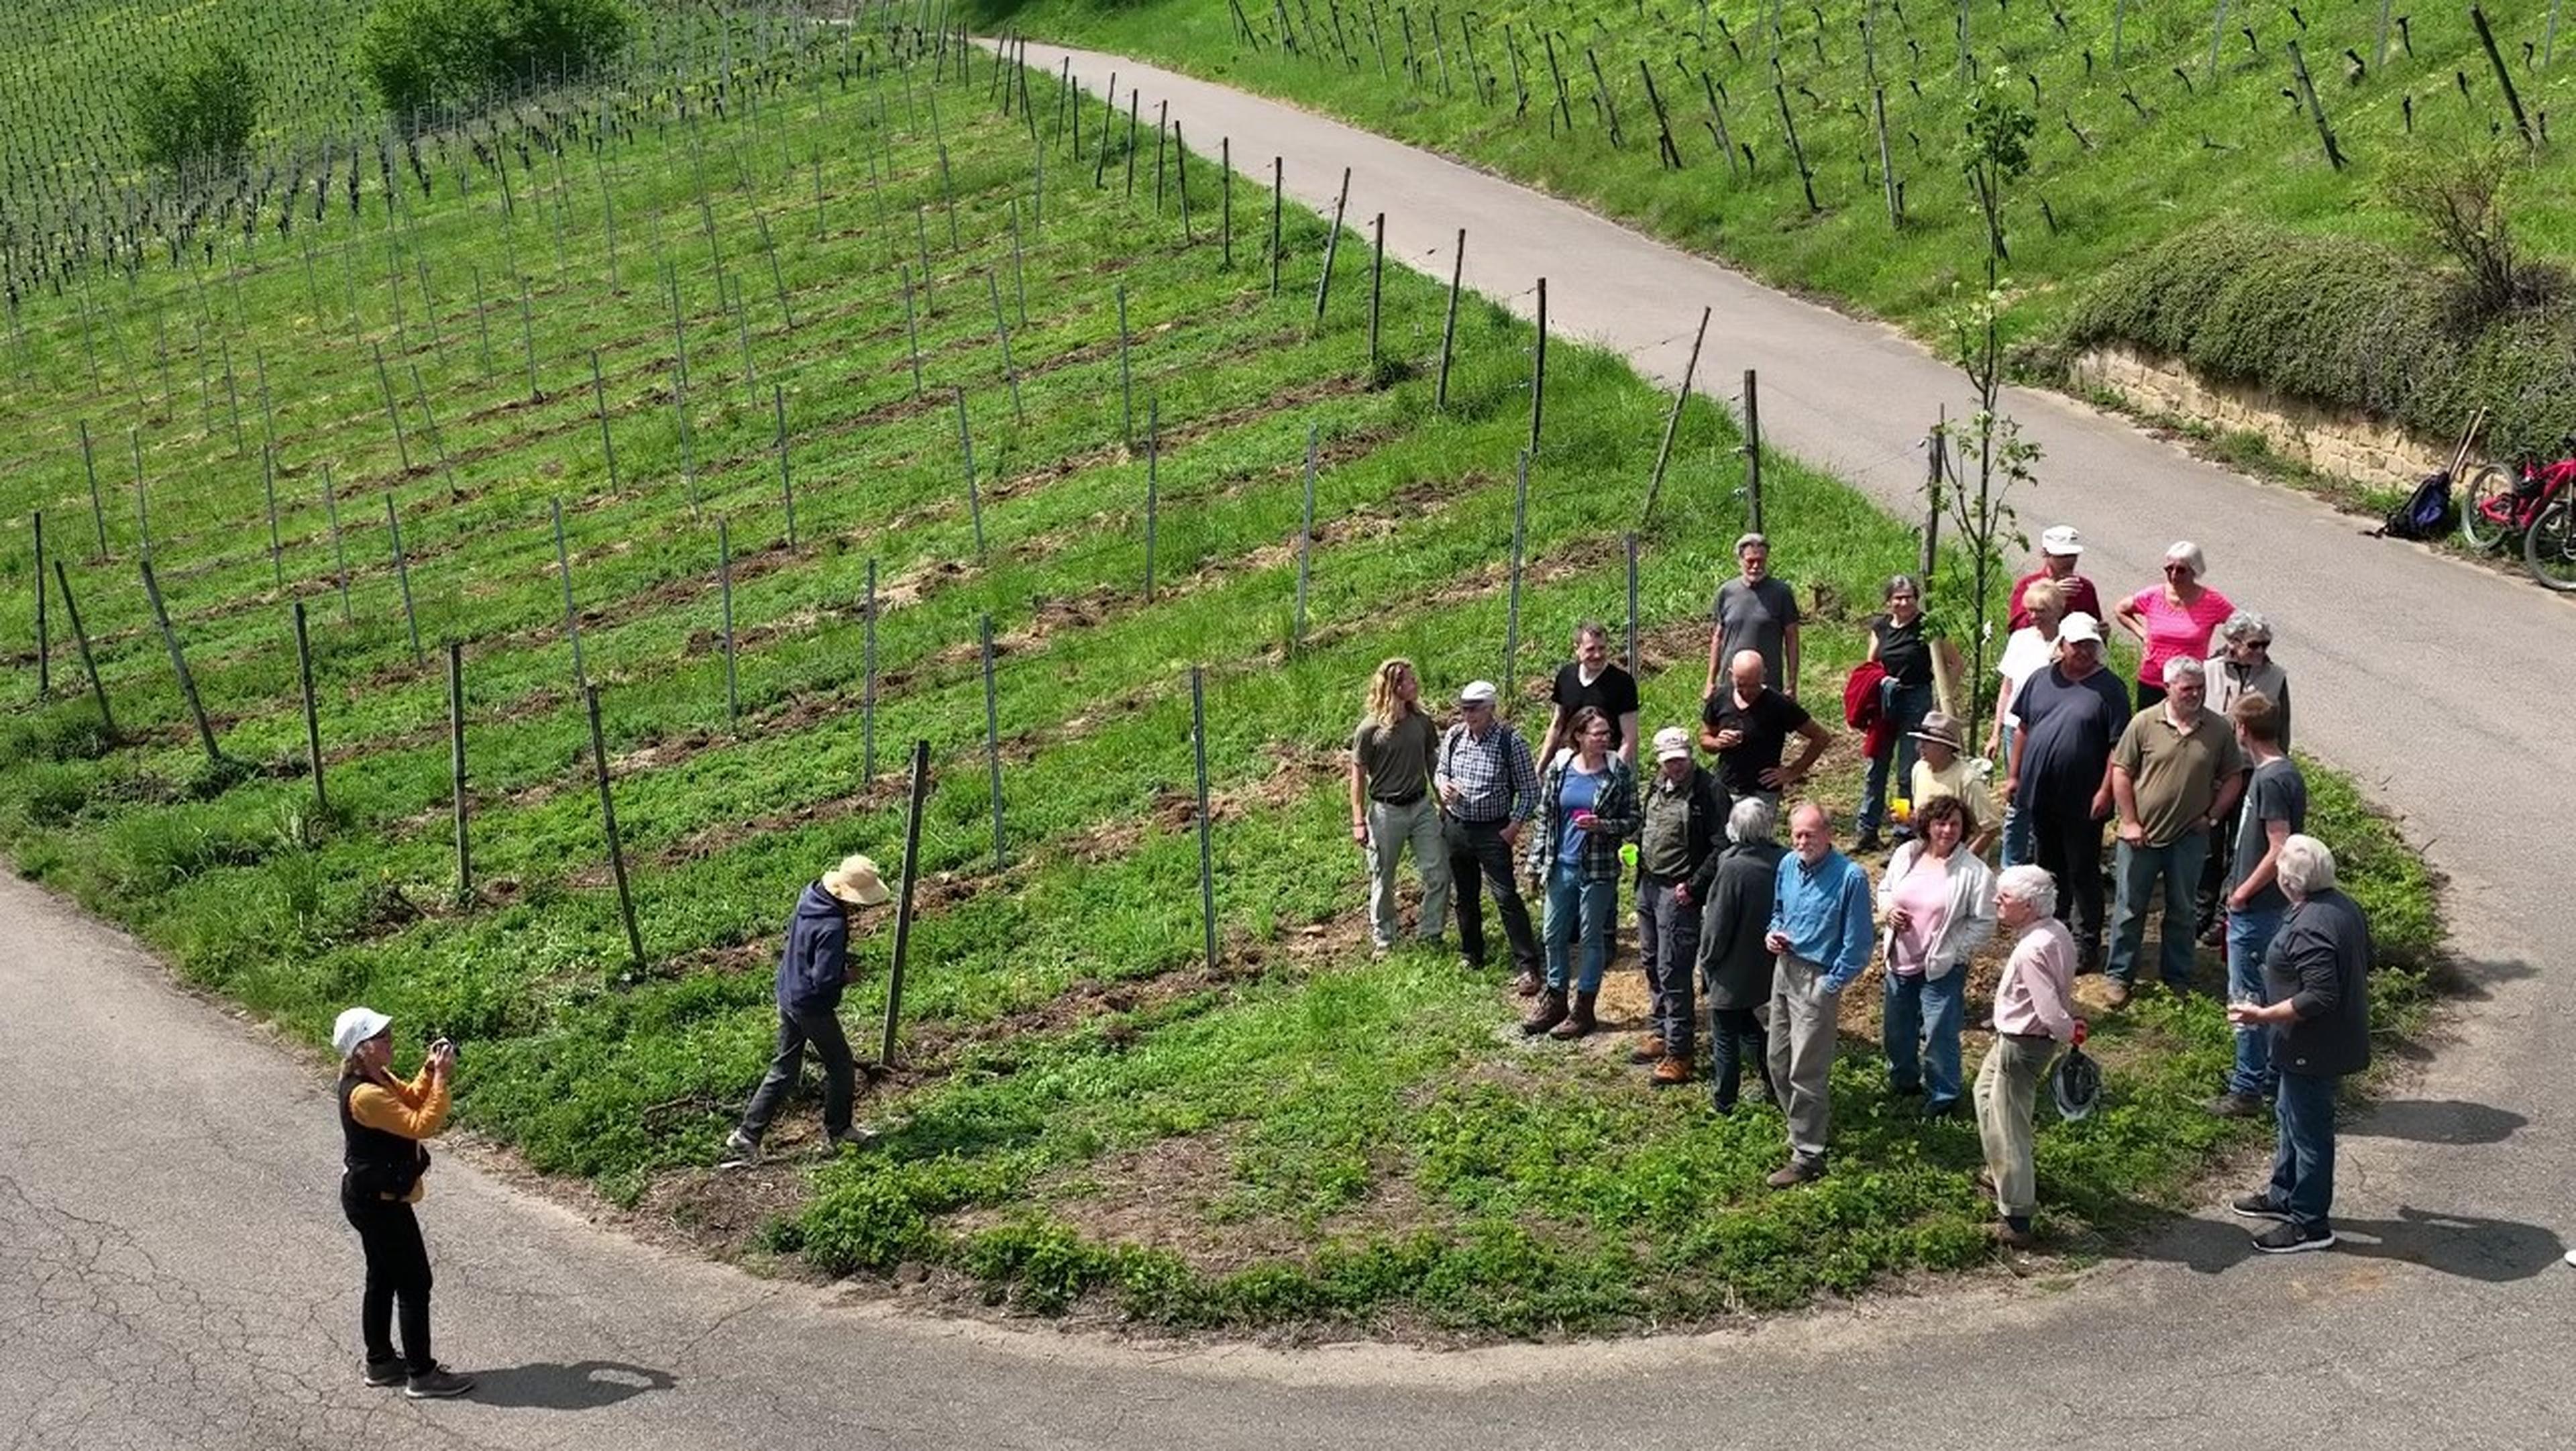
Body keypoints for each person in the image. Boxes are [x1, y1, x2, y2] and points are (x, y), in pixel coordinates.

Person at [2226, 835, 2371, 1254]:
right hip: (2312, 1044)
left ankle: (2310, 1224)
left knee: (2309, 1133)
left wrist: (2262, 1016)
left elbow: (2319, 996)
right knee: (2289, 1115)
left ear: (2287, 881)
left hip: (2314, 1045)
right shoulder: (2342, 907)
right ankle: (2284, 1194)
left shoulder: (2310, 925)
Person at [331, 1006, 474, 1399]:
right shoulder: (364, 1095)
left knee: (383, 1277)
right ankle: (421, 1374)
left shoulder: (376, 1077)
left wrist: (428, 1073)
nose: (390, 1041)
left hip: (370, 1197)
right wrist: (443, 1078)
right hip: (380, 1203)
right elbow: (420, 1123)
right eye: (381, 1038)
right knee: (414, 1283)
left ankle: (380, 1363)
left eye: (389, 1034)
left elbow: (410, 1099)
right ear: (361, 1050)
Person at [723, 854, 894, 1163]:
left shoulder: (812, 894)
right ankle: (839, 1130)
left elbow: (801, 941)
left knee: (784, 1068)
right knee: (841, 1064)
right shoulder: (833, 925)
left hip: (789, 990)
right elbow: (824, 980)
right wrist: (846, 974)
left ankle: (746, 1136)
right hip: (811, 1004)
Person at [2104, 657, 2246, 1007]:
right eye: (2187, 689)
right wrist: (2130, 821)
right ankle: (2120, 976)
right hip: (2142, 837)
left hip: (2190, 838)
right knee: (2129, 909)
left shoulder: (2217, 729)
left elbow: (2234, 777)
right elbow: (2121, 772)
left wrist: (2212, 817)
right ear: (2168, 688)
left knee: (2182, 909)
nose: (2195, 694)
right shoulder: (2144, 723)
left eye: (2200, 688)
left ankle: (2178, 977)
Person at [2004, 612, 2129, 973]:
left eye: (2091, 645)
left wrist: (2106, 791)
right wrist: (2014, 776)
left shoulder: (2110, 689)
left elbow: (2117, 748)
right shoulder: (2041, 680)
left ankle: (2086, 941)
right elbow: (2024, 728)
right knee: (2047, 866)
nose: (2085, 652)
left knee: (2083, 869)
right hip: (2041, 792)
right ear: (2062, 645)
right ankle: (2049, 930)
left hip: (2084, 798)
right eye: (2078, 644)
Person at [1762, 802, 1874, 1187]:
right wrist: (1772, 933)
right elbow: (1778, 911)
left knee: (1806, 1069)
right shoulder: (1787, 866)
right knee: (1777, 1058)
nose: (1802, 841)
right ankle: (1802, 1127)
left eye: (1810, 834)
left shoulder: (1851, 877)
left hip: (1818, 976)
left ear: (1829, 834)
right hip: (1785, 968)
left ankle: (1808, 1155)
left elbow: (1859, 943)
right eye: (1796, 834)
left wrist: (1832, 983)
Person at [1974, 866, 2082, 1250]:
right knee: (1985, 1095)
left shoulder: (2032, 949)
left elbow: (2050, 1010)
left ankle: (2017, 1216)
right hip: (2012, 1038)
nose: (1996, 903)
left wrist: (2071, 1033)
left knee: (2009, 1123)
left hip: (2022, 1043)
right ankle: (1998, 1174)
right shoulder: (2056, 932)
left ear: (2030, 906)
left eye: (2004, 898)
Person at [2209, 693, 2306, 1118]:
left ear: (2242, 729)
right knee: (2267, 993)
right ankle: (2268, 1077)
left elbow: (2279, 845)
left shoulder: (2270, 779)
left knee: (2248, 996)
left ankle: (2248, 1087)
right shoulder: (2285, 772)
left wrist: (2242, 891)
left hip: (2260, 909)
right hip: (2271, 906)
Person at [1875, 794, 1998, 1118]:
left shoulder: (1974, 873)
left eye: (1955, 824)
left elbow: (1985, 922)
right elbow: (1885, 888)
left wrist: (1956, 952)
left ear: (1964, 828)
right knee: (1896, 1031)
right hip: (1899, 960)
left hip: (1942, 969)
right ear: (1927, 825)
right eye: (1940, 823)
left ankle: (1944, 1096)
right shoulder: (1907, 854)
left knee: (1939, 1034)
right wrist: (1888, 911)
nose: (1947, 830)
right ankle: (1903, 1083)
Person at [1521, 707, 1638, 1039]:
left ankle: (1584, 1008)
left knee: (1591, 937)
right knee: (1553, 933)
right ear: (1579, 737)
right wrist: (1535, 863)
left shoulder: (1617, 772)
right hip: (1561, 865)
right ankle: (1556, 998)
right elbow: (1546, 818)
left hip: (1599, 869)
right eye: (1598, 734)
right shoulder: (1560, 768)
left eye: (1607, 734)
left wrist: (1603, 826)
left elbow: (1633, 820)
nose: (1605, 739)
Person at [1633, 726, 1730, 1085]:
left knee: (1673, 969)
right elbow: (1647, 827)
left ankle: (1680, 1051)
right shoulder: (1657, 785)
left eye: (1679, 760)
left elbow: (1723, 846)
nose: (1674, 767)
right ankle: (1661, 1032)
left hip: (1679, 892)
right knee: (1651, 961)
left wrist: (1694, 885)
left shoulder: (1710, 791)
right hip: (1649, 885)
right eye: (1667, 762)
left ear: (1691, 755)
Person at [1436, 680, 1544, 993]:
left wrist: (1513, 828)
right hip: (1457, 825)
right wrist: (1443, 787)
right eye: (1464, 708)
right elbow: (1441, 771)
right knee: (1465, 895)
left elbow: (1530, 791)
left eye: (1475, 709)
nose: (1468, 715)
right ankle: (1472, 953)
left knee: (1505, 896)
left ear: (1491, 709)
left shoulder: (1511, 742)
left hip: (1493, 829)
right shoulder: (1455, 736)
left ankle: (1527, 963)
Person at [2196, 610, 2292, 941]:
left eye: (2265, 645)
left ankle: (2224, 915)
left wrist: (2274, 770)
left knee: (2241, 845)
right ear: (2233, 643)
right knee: (2209, 843)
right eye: (2254, 645)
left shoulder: (2275, 677)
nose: (2261, 652)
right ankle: (2200, 910)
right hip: (2213, 772)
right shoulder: (2209, 670)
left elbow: (2282, 731)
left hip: (2252, 773)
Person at [1348, 657, 1452, 954]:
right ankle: (1385, 940)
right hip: (1385, 811)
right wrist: (1358, 820)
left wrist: (1443, 800)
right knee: (1383, 876)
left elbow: (1433, 763)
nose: (1415, 683)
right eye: (1408, 680)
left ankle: (1431, 934)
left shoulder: (1422, 722)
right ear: (1394, 687)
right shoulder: (1369, 730)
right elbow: (1357, 776)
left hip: (1420, 807)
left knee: (1439, 871)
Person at [1856, 575, 1963, 853]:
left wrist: (1942, 697)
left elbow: (1955, 663)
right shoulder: (1880, 627)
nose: (1904, 603)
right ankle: (1867, 830)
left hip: (1916, 699)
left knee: (1907, 771)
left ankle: (1902, 831)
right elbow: (1872, 664)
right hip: (1886, 699)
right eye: (1898, 598)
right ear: (1889, 601)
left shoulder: (1928, 626)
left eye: (1909, 597)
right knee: (1875, 765)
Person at [1698, 797, 1786, 1114]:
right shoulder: (1784, 859)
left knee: (1725, 1033)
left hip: (1733, 964)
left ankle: (1724, 1102)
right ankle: (1775, 1086)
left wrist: (1707, 960)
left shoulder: (1733, 866)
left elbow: (1718, 923)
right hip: (1769, 963)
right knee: (1753, 1027)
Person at [1987, 578, 2067, 867]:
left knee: (2047, 797)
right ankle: (2012, 863)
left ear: (2058, 610)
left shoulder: (2067, 644)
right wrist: (1995, 732)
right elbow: (2007, 689)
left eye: (2041, 611)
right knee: (2017, 795)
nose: (2034, 617)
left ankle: (2041, 858)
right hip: (2015, 727)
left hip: (2052, 730)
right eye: (2030, 610)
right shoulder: (2020, 639)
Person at [1701, 649, 1832, 810]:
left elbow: (1821, 737)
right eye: (1741, 685)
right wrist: (1718, 743)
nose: (1748, 692)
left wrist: (1793, 771)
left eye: (1754, 686)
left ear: (1764, 675)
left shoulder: (1779, 704)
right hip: (1726, 787)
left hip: (1762, 793)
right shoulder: (1720, 698)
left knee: (1757, 836)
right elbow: (1705, 738)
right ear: (1731, 674)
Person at [2114, 540, 2235, 711]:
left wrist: (2222, 656)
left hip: (2190, 685)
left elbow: (2240, 627)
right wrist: (2143, 634)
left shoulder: (2211, 601)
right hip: (2153, 680)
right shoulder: (2153, 596)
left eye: (2181, 570)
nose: (2174, 575)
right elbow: (2121, 609)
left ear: (2195, 570)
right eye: (2169, 569)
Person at [1702, 532, 1802, 704]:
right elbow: (1718, 638)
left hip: (1767, 685)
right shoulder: (1726, 592)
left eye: (1761, 561)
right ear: (1740, 561)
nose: (1756, 566)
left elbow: (1792, 638)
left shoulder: (1781, 593)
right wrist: (1710, 681)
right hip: (1731, 684)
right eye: (1750, 561)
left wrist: (1792, 683)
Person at [1539, 621, 1642, 765]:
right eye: (1590, 649)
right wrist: (1541, 767)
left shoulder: (1622, 683)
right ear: (1577, 648)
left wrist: (1614, 776)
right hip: (1570, 765)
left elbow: (1629, 739)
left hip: (1605, 764)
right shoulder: (1566, 676)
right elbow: (1557, 725)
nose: (1597, 655)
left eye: (1602, 648)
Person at [1907, 710, 1995, 857]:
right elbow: (1924, 817)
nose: (1920, 746)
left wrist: (1963, 860)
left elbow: (1991, 828)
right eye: (1919, 741)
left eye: (1926, 742)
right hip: (1929, 855)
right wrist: (1909, 819)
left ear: (1945, 747)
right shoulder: (1919, 769)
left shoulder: (1967, 779)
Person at [2008, 525, 2102, 631]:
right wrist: (2050, 596)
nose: (2069, 561)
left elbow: (2094, 624)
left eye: (2073, 555)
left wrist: (2100, 632)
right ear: (2045, 554)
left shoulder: (2085, 588)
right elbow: (2017, 629)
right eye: (2062, 556)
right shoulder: (2027, 585)